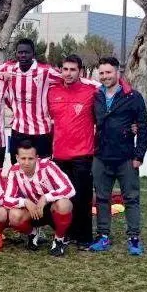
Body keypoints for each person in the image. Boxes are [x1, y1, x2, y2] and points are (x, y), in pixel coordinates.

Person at [89, 57, 147, 255]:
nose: (105, 76)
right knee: (102, 199)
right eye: (102, 73)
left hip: (126, 157)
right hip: (101, 156)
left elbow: (142, 128)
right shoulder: (96, 96)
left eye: (109, 72)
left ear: (118, 72)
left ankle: (133, 239)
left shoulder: (133, 96)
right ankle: (103, 236)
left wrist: (139, 155)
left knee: (131, 199)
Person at [47, 54, 98, 249]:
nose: (68, 73)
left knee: (83, 198)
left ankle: (84, 237)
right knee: (63, 199)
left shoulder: (91, 90)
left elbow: (118, 88)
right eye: (65, 69)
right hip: (59, 156)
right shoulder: (52, 92)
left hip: (83, 154)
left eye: (73, 70)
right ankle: (64, 234)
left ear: (81, 71)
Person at [4, 140, 75, 257]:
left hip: (52, 208)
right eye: (23, 158)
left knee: (64, 204)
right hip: (33, 210)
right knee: (14, 215)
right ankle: (33, 234)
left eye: (30, 158)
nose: (26, 162)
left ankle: (59, 239)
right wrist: (25, 201)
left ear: (37, 157)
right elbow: (6, 199)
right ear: (16, 157)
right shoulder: (14, 170)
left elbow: (69, 189)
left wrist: (46, 197)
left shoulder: (48, 166)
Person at [0, 38, 59, 164]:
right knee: (17, 167)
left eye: (26, 52)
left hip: (41, 130)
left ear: (33, 54)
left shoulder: (45, 71)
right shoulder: (9, 68)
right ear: (16, 53)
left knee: (43, 167)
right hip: (18, 129)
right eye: (20, 52)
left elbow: (66, 78)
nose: (23, 55)